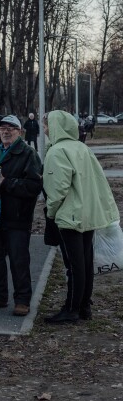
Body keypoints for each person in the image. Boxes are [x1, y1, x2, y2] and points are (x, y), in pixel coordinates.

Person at [43, 111, 120, 323]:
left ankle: (72, 309)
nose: (45, 129)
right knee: (85, 262)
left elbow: (57, 189)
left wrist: (51, 212)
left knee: (74, 265)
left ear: (56, 126)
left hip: (69, 216)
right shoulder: (82, 148)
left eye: (47, 125)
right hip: (87, 214)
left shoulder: (57, 151)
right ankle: (84, 306)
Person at [0, 115, 42, 317]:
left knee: (18, 259)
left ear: (20, 132)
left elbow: (34, 187)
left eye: (11, 128)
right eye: (2, 128)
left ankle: (22, 300)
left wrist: (7, 182)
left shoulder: (28, 153)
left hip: (17, 216)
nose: (6, 131)